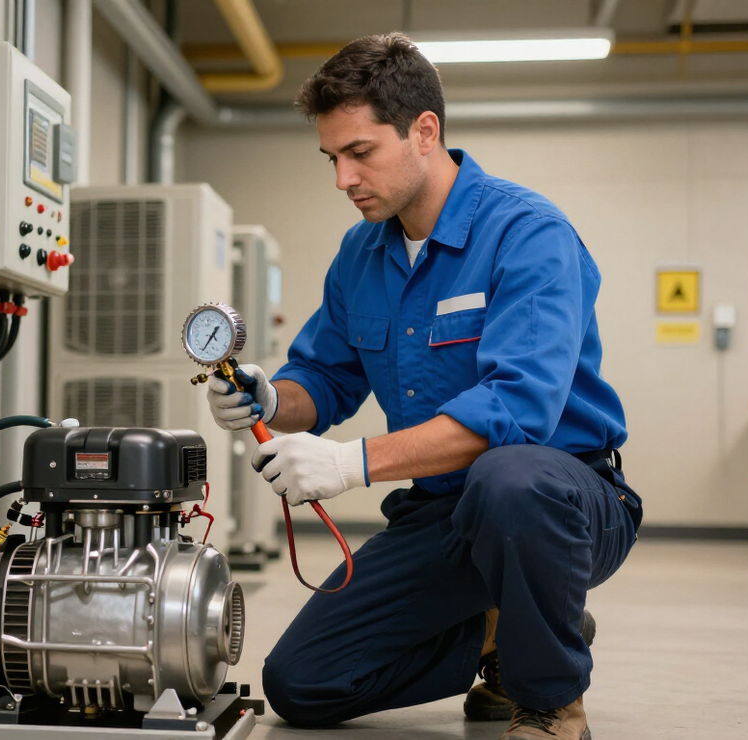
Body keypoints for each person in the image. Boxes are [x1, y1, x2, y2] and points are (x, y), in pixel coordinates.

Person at [205, 32, 642, 740]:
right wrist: (264, 395)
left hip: (562, 502)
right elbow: (322, 376)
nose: (342, 179)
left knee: (510, 479)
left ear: (424, 131)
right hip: (443, 512)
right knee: (300, 683)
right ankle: (503, 632)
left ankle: (549, 700)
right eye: (331, 158)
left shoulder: (526, 233)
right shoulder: (361, 253)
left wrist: (350, 463)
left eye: (359, 153)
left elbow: (517, 412)